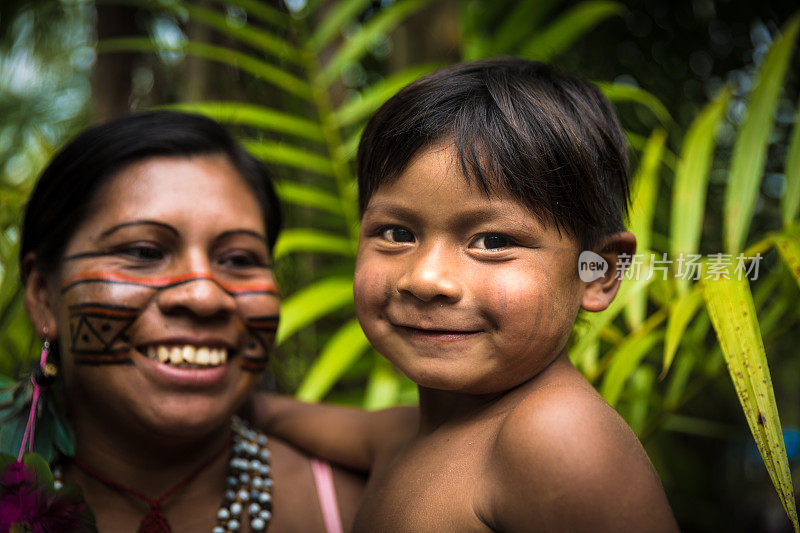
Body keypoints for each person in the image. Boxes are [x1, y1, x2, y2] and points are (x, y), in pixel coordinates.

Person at [253, 58, 680, 531]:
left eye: (493, 242)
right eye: (396, 232)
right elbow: (284, 415)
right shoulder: (406, 433)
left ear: (597, 272)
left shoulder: (554, 435)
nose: (425, 278)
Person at [17, 111, 362, 532]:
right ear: (43, 298)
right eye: (144, 252)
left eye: (239, 259)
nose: (203, 296)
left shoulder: (357, 508)